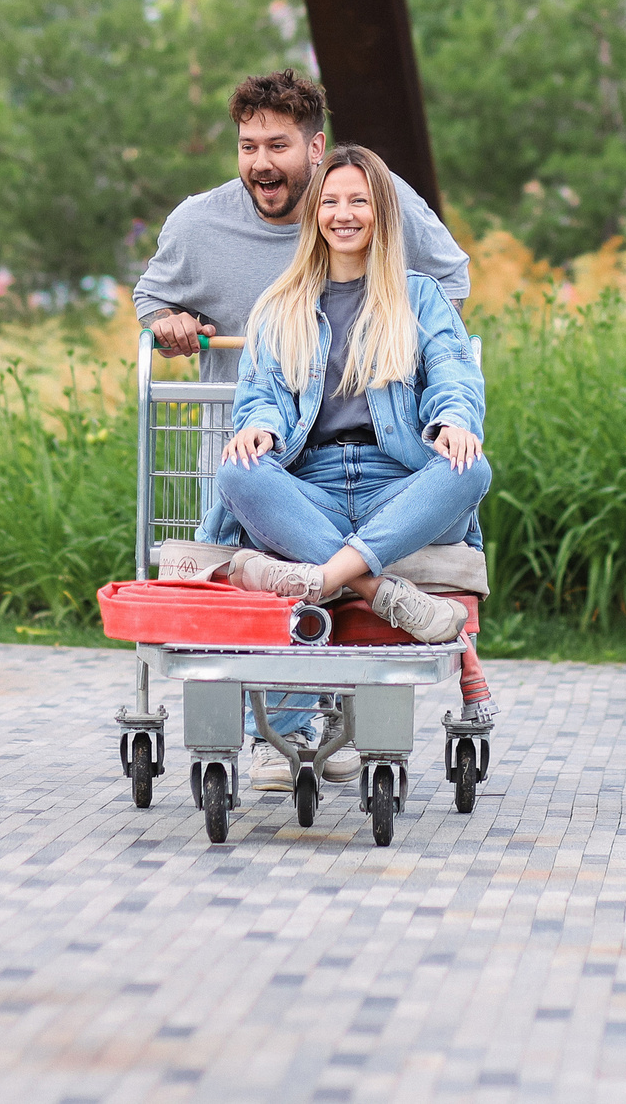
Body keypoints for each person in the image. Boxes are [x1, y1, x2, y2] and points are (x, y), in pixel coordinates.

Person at [213, 146, 492, 795]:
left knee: (470, 470)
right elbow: (258, 392)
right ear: (315, 213)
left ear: (381, 213)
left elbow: (453, 369)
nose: (343, 213)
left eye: (358, 200)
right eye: (331, 201)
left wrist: (454, 420)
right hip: (308, 489)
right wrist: (257, 425)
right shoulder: (281, 302)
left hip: (391, 486)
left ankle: (326, 578)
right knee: (239, 474)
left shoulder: (418, 298)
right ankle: (376, 591)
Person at [134, 70, 468, 369]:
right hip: (236, 432)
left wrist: (410, 345)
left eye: (277, 146)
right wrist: (168, 322)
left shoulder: (378, 198)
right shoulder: (197, 223)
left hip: (358, 434)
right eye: (248, 147)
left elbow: (449, 278)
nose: (261, 163)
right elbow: (152, 297)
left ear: (316, 147)